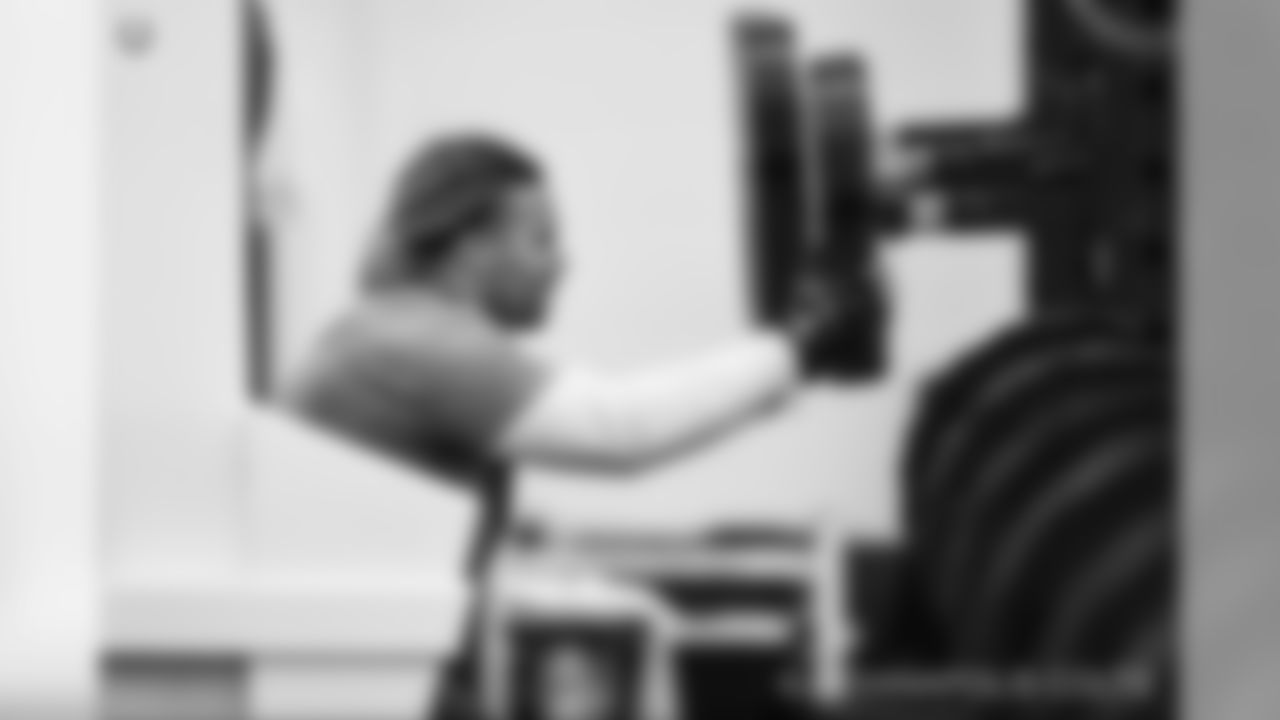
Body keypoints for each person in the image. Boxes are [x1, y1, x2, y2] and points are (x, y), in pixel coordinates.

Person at [278, 132, 859, 720]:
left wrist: (785, 366)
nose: (562, 263)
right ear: (472, 246)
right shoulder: (416, 341)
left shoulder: (376, 329)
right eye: (542, 239)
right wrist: (801, 346)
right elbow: (621, 428)